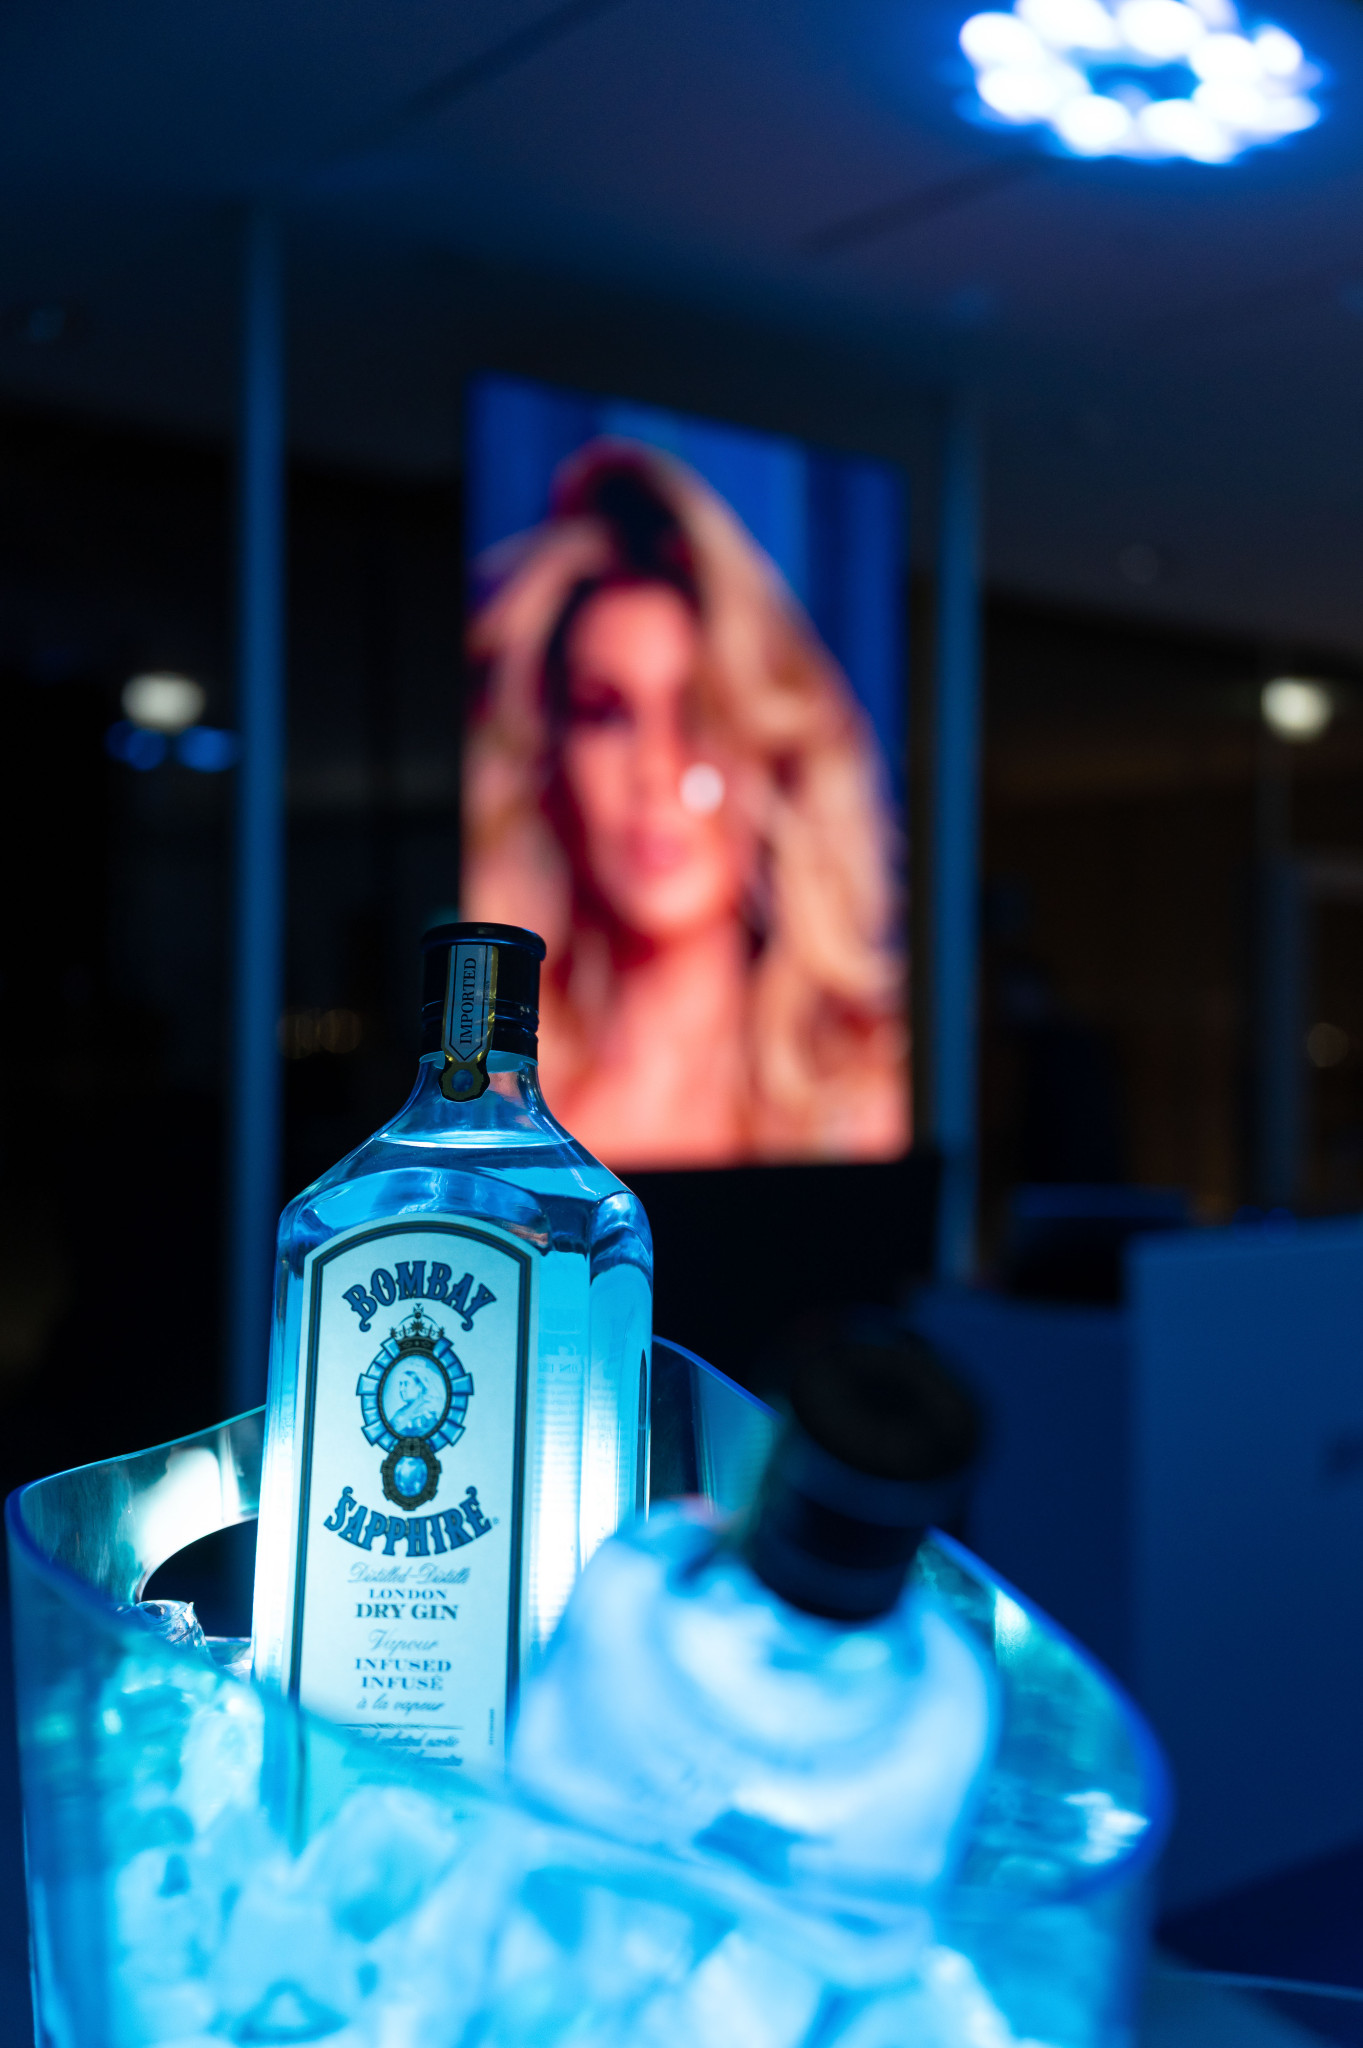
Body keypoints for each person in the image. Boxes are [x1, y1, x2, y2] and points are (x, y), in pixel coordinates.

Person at [462, 440, 909, 1170]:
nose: (655, 771)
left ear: (771, 752)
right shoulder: (489, 1106)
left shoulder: (864, 1097)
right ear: (551, 760)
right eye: (606, 713)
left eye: (697, 713)